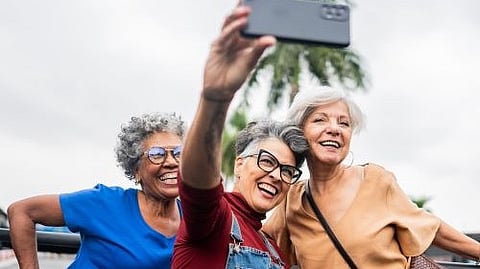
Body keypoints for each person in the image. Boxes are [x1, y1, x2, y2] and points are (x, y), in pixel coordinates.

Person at [262, 86, 480, 268]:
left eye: (344, 123)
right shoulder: (292, 201)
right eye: (320, 120)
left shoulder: (375, 180)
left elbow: (431, 229)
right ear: (300, 131)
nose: (334, 129)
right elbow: (254, 237)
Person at [171, 5, 309, 269]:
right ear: (239, 163)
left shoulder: (273, 249)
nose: (276, 176)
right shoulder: (215, 219)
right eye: (267, 161)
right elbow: (197, 184)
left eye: (288, 171)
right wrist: (216, 99)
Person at [7, 112, 185, 269]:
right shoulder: (106, 203)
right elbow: (22, 212)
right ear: (136, 170)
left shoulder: (195, 217)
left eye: (178, 153)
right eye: (156, 154)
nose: (171, 162)